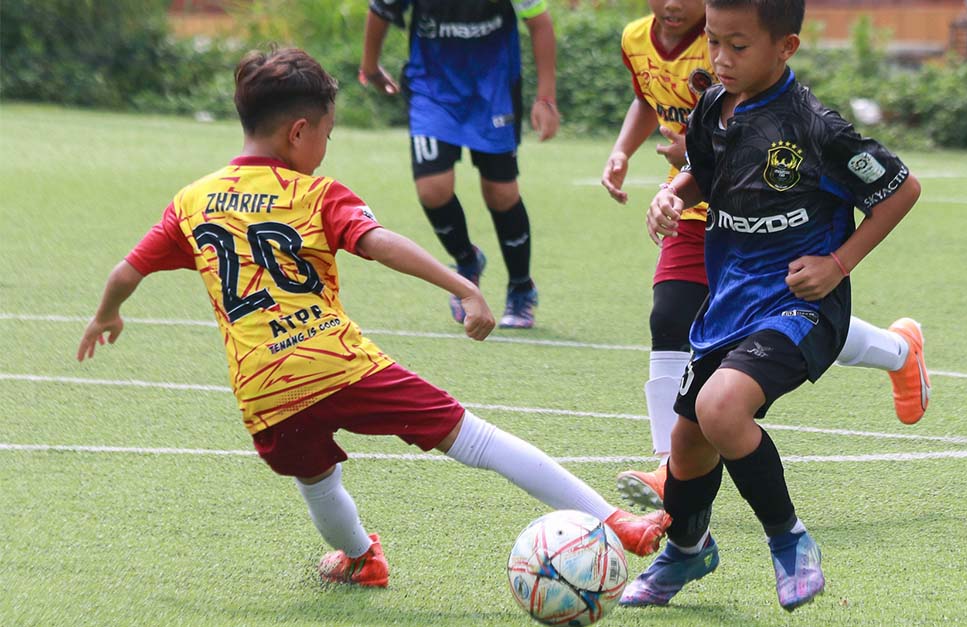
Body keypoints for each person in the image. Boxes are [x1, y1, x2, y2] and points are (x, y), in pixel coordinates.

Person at [75, 47, 667, 589]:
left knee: (318, 485)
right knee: (475, 438)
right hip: (340, 363)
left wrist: (108, 315)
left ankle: (361, 558)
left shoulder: (192, 201)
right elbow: (380, 243)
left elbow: (127, 271)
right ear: (299, 131)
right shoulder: (315, 194)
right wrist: (464, 284)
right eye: (326, 134)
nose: (325, 148)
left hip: (265, 391)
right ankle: (618, 521)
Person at [618, 0, 923, 611]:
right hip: (731, 301)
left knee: (721, 408)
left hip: (801, 304)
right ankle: (687, 551)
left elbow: (901, 189)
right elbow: (705, 171)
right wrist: (671, 194)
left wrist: (838, 264)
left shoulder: (816, 127)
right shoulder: (711, 108)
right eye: (714, 42)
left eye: (739, 45)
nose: (721, 59)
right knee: (688, 445)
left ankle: (790, 541)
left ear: (785, 47)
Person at [359, 0, 560, 329]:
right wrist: (370, 68)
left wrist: (546, 98)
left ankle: (521, 287)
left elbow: (540, 23)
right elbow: (380, 10)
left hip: (493, 88)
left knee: (501, 194)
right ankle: (467, 261)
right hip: (432, 90)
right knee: (432, 189)